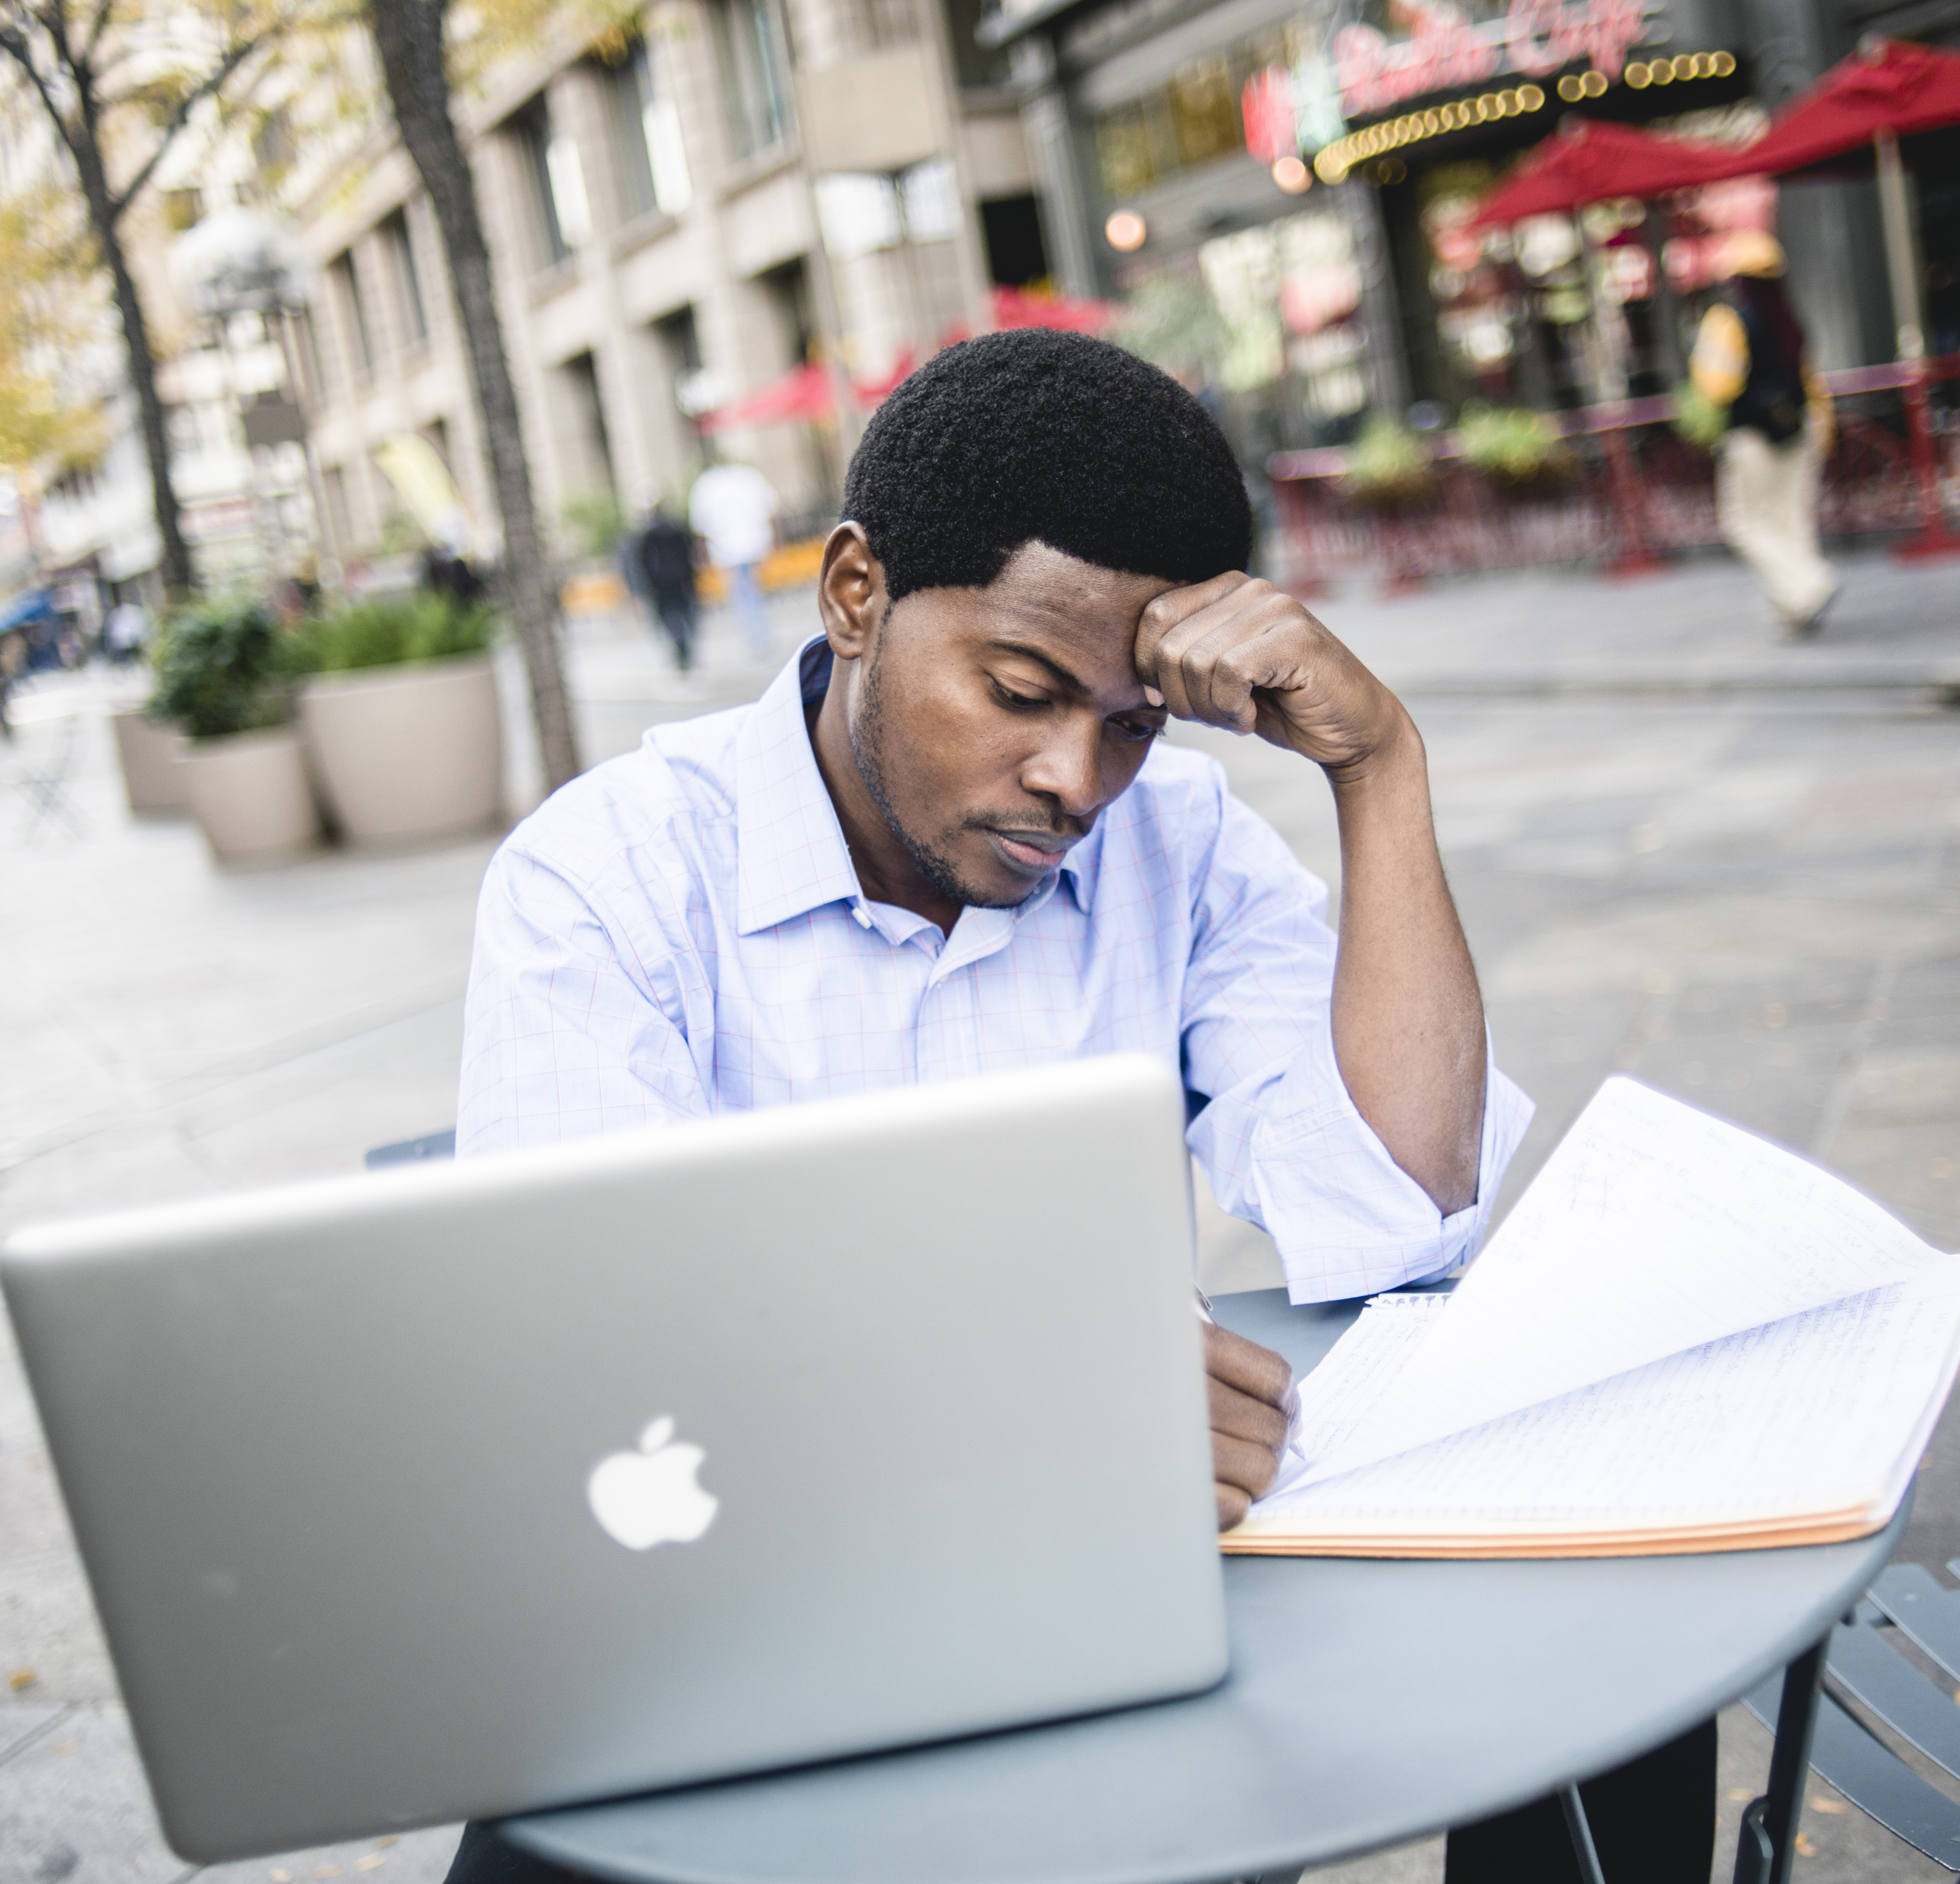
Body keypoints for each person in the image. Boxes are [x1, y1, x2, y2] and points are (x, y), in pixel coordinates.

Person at [446, 329, 1714, 1884]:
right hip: (771, 1629)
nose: (1075, 779)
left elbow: (1395, 1206)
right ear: (857, 595)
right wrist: (1027, 1412)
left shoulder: (1173, 842)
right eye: (1020, 690)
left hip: (1116, 1618)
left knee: (1614, 1673)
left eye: (1131, 722)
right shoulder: (613, 876)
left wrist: (1378, 767)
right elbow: (582, 1367)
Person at [1690, 230, 1836, 639]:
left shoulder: (1728, 319)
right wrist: (1824, 428)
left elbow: (1715, 386)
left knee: (1743, 523)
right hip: (1800, 429)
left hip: (1752, 437)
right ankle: (1794, 611)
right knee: (1790, 519)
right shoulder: (1790, 319)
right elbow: (1810, 380)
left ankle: (1809, 585)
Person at [688, 457, 783, 657]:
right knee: (752, 590)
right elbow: (770, 508)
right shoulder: (748, 475)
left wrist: (702, 555)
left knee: (742, 594)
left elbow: (701, 524)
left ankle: (757, 637)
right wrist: (776, 540)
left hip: (726, 550)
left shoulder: (707, 484)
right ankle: (761, 635)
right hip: (755, 543)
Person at [631, 505, 701, 675]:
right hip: (678, 584)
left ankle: (682, 650)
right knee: (684, 620)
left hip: (664, 587)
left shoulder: (649, 537)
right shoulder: (675, 533)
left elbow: (643, 565)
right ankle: (683, 650)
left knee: (672, 622)